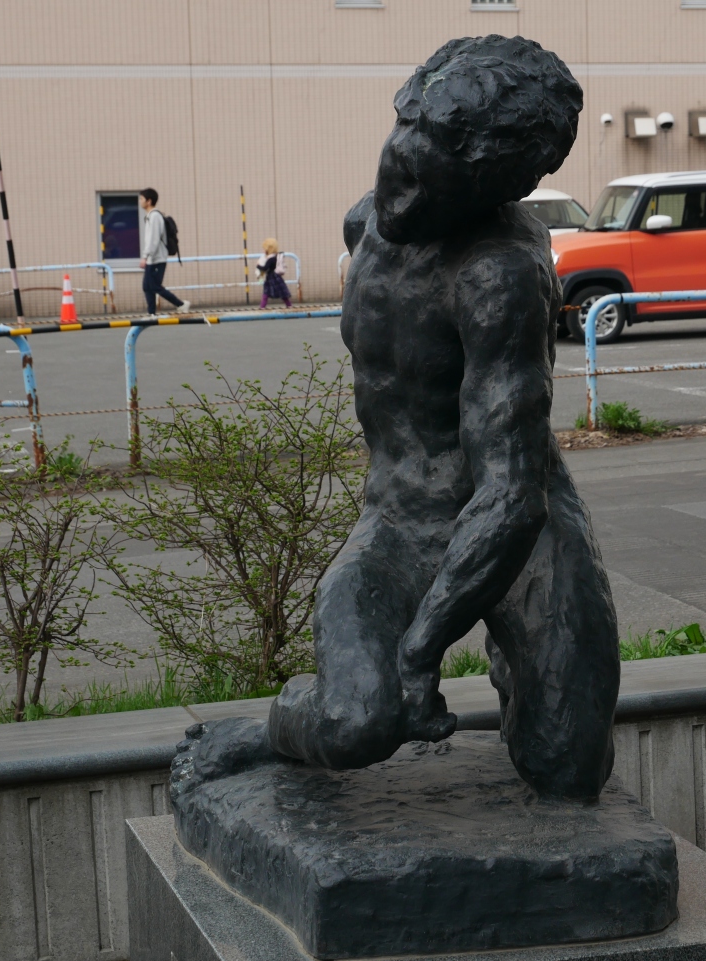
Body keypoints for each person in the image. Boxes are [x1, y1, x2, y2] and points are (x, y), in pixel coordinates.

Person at [175, 37, 615, 801]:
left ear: (499, 192)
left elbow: (511, 497)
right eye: (411, 125)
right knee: (354, 722)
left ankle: (522, 660)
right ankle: (268, 731)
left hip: (521, 531)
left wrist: (422, 648)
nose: (405, 160)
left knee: (569, 766)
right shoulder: (365, 227)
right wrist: (408, 651)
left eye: (447, 158)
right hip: (400, 525)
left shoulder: (501, 273)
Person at [138, 189, 190, 317]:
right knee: (147, 286)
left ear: (149, 201)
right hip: (153, 258)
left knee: (154, 286)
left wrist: (145, 256)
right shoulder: (150, 216)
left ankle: (181, 304)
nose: (140, 201)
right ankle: (151, 313)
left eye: (142, 199)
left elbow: (153, 240)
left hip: (157, 258)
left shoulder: (155, 216)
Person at [256, 238, 292, 309]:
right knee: (281, 291)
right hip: (276, 277)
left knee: (266, 291)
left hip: (271, 277)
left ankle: (262, 306)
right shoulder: (276, 257)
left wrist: (258, 266)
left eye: (264, 249)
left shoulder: (270, 259)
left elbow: (265, 268)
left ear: (268, 249)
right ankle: (289, 305)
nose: (263, 250)